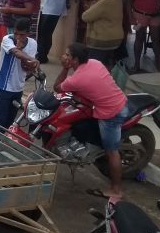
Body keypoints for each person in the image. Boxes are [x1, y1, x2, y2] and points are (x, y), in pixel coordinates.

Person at [54, 43, 128, 195]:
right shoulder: (95, 62)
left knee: (112, 152)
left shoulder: (76, 80)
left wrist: (65, 68)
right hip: (120, 100)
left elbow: (57, 87)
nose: (64, 56)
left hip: (112, 114)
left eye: (67, 55)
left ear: (75, 60)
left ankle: (116, 190)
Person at [0, 19, 39, 129]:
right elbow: (16, 53)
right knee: (1, 121)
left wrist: (30, 62)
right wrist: (28, 56)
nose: (18, 37)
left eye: (21, 35)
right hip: (4, 87)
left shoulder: (33, 44)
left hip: (18, 88)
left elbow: (26, 67)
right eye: (16, 33)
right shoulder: (7, 39)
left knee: (11, 121)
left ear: (28, 34)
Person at [83, 0, 126, 66]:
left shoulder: (105, 2)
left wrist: (96, 2)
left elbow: (85, 16)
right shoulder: (119, 1)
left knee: (94, 66)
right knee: (105, 64)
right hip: (114, 40)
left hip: (101, 41)